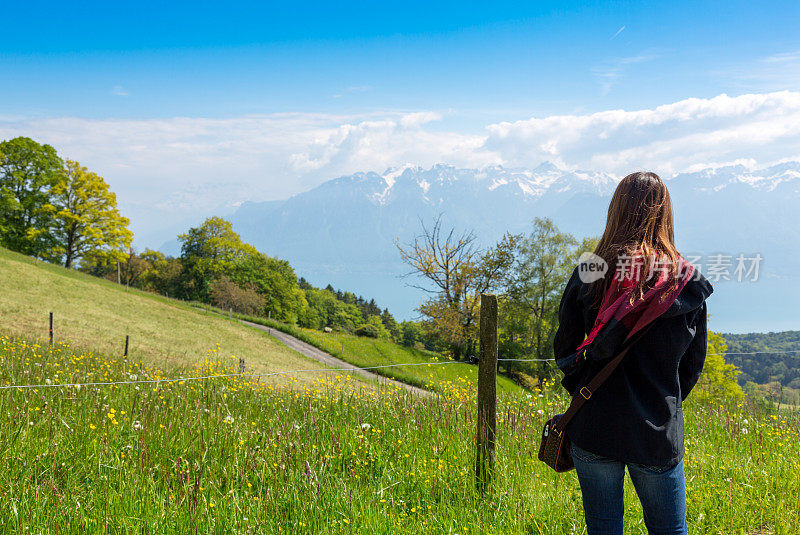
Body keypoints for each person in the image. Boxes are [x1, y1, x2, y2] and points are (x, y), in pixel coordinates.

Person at [553, 171, 713, 535]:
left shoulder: (591, 270)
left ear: (616, 210)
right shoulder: (683, 282)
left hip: (593, 424)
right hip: (656, 431)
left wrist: (586, 392)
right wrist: (662, 402)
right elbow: (692, 366)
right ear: (664, 214)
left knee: (604, 528)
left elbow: (564, 350)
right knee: (668, 530)